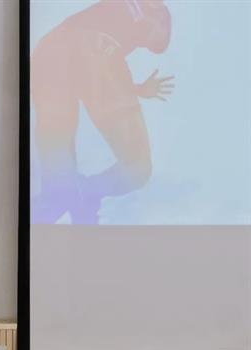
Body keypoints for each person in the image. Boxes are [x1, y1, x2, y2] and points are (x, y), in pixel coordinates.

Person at [31, 0, 174, 224]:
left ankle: (69, 198)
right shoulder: (148, 16)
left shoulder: (83, 31)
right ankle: (80, 193)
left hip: (48, 54)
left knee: (58, 176)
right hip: (88, 50)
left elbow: (91, 67)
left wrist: (134, 88)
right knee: (138, 168)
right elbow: (96, 61)